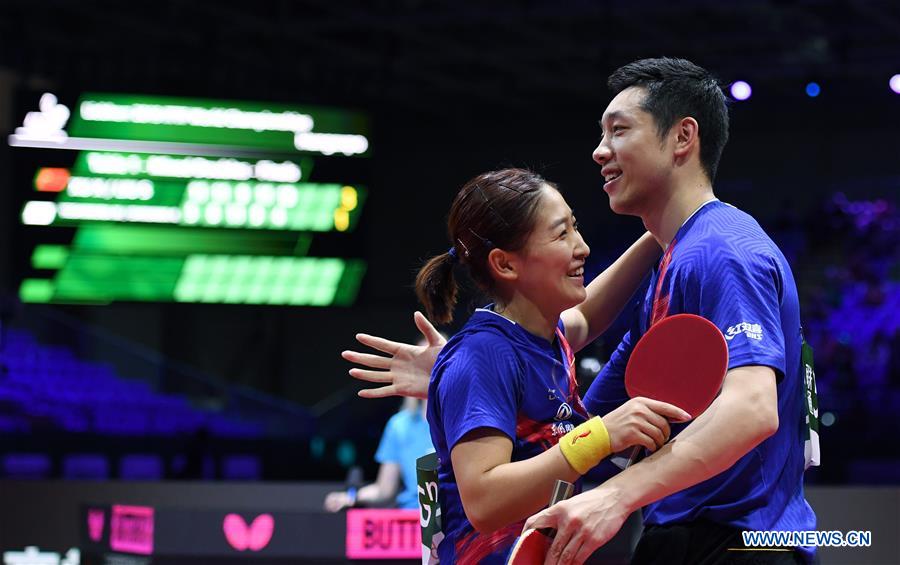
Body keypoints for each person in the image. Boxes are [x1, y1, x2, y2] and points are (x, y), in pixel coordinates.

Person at [345, 57, 817, 564]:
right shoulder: (675, 261)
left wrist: (615, 493)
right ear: (506, 263)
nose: (599, 151)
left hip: (733, 544)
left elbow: (751, 408)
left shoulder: (718, 251)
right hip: (690, 540)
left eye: (619, 130)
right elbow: (586, 415)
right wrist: (464, 373)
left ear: (683, 138)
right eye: (562, 232)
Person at [353, 167, 690, 564]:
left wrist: (661, 227)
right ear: (506, 265)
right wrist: (601, 436)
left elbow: (589, 316)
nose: (581, 247)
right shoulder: (482, 356)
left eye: (575, 227)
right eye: (561, 234)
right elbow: (485, 501)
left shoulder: (546, 337)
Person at [324, 397, 434, 511]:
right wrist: (349, 497)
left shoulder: (451, 421)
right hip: (413, 515)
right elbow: (384, 490)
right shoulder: (400, 425)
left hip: (451, 516)